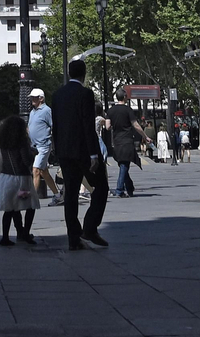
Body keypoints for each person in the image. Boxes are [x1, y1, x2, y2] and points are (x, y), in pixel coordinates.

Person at [52, 60, 109, 250]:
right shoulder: (85, 94)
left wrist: (58, 150)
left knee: (71, 194)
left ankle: (73, 238)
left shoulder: (58, 95)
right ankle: (90, 228)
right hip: (84, 151)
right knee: (101, 187)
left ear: (69, 73)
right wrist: (94, 154)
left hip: (65, 152)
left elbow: (56, 125)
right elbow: (87, 124)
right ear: (84, 74)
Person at [0, 114, 39, 244]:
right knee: (30, 206)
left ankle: (5, 237)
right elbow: (26, 160)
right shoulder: (22, 142)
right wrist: (33, 153)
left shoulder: (3, 142)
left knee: (10, 208)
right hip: (21, 180)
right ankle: (25, 233)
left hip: (6, 178)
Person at [107, 90, 147, 197]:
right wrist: (145, 136)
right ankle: (120, 189)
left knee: (122, 164)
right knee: (124, 165)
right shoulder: (128, 110)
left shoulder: (110, 111)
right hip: (127, 140)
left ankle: (129, 187)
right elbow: (136, 125)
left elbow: (107, 126)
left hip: (116, 141)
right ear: (124, 97)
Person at [26, 88, 62, 206]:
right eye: (31, 97)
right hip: (34, 146)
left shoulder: (46, 110)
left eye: (34, 97)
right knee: (43, 172)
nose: (32, 99)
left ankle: (32, 199)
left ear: (41, 98)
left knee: (36, 170)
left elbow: (54, 125)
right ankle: (58, 195)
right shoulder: (33, 112)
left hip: (43, 145)